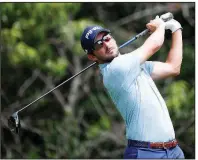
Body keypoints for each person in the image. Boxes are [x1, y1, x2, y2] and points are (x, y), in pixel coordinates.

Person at [80, 15, 184, 159]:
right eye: (98, 44)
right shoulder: (115, 70)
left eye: (107, 38)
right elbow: (154, 45)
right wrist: (160, 26)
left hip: (173, 151)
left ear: (113, 39)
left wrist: (176, 29)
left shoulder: (134, 66)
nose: (106, 45)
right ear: (92, 56)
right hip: (145, 153)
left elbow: (173, 68)